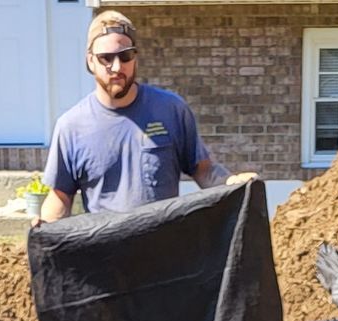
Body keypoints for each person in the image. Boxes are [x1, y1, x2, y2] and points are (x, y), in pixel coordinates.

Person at [38, 12, 228, 220]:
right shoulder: (71, 127)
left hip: (163, 247)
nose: (117, 67)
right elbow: (60, 195)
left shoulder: (171, 110)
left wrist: (233, 184)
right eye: (106, 58)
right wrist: (46, 227)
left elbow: (204, 172)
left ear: (135, 58)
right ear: (90, 61)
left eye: (125, 55)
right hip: (104, 249)